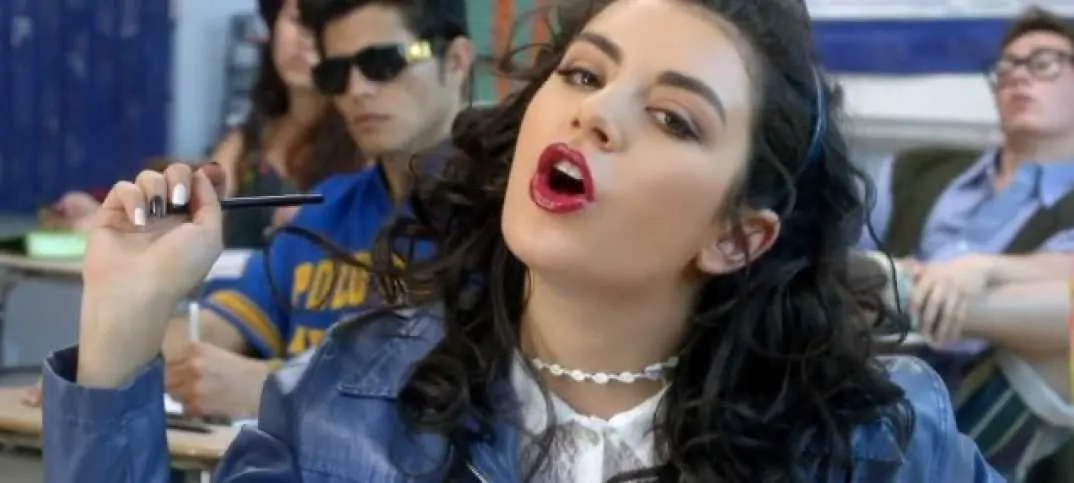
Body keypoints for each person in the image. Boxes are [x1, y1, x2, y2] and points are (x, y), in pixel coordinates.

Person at [42, 0, 1001, 481]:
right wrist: (121, 325)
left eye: (673, 118)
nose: (596, 116)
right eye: (583, 75)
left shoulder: (877, 435)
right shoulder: (346, 400)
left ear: (738, 235)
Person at [19, 0, 368, 411]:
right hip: (232, 318)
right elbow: (201, 200)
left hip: (284, 357)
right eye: (294, 20)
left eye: (319, 23)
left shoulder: (363, 165)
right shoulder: (250, 138)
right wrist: (98, 368)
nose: (304, 39)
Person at [154, 0, 474, 419]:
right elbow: (214, 329)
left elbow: (475, 397)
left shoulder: (504, 220)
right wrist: (121, 346)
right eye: (336, 73)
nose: (357, 90)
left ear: (456, 61)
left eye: (384, 63)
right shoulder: (324, 213)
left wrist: (276, 391)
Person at [860, 8, 1074, 478]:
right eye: (1006, 67)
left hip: (994, 384)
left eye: (1043, 63)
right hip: (869, 358)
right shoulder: (915, 168)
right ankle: (895, 298)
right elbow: (842, 259)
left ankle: (904, 299)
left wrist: (983, 268)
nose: (1018, 76)